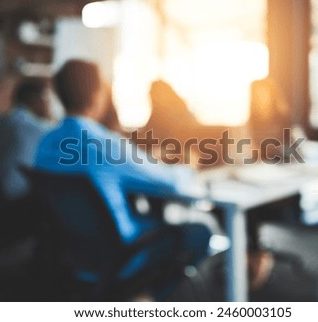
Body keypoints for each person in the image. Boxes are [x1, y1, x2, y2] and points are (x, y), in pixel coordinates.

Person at [34, 59, 211, 282]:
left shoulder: (45, 142)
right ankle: (142, 296)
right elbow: (172, 182)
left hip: (71, 251)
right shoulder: (106, 144)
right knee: (198, 233)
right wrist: (189, 166)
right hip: (118, 253)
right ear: (98, 95)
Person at [0, 77, 54, 200]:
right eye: (48, 98)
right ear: (35, 99)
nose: (50, 104)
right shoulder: (37, 128)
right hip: (15, 202)